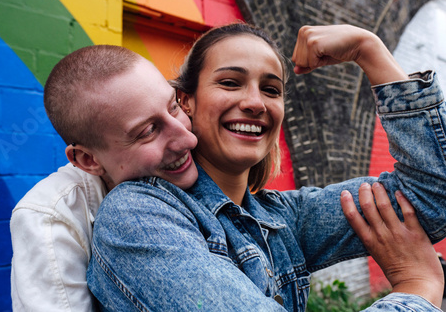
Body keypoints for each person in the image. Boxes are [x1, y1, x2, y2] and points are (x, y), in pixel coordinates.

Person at [87, 23, 446, 311]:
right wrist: (419, 289)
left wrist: (370, 51)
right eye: (230, 82)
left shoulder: (283, 218)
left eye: (272, 89)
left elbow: (430, 197)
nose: (256, 102)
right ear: (186, 101)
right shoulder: (138, 215)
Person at [10, 45, 200, 311]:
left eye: (174, 107)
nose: (188, 139)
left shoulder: (202, 157)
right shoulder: (50, 217)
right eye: (147, 131)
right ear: (88, 160)